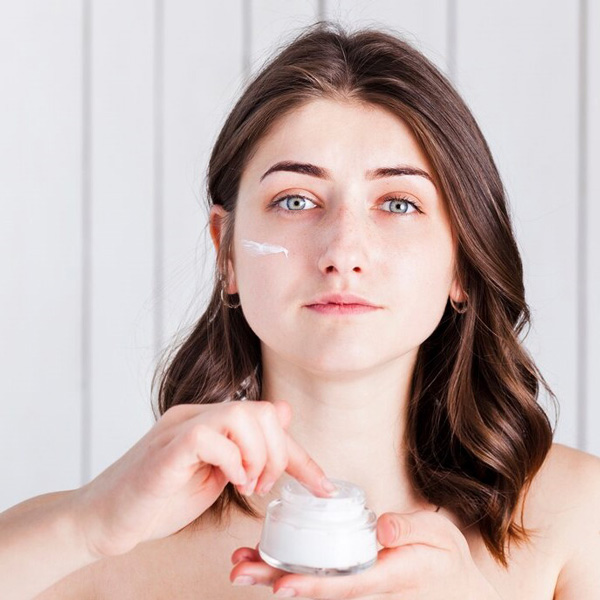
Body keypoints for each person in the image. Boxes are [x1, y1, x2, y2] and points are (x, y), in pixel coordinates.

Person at [2, 21, 599, 600]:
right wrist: (83, 528)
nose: (343, 252)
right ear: (226, 251)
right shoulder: (92, 549)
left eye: (397, 203)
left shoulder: (576, 521)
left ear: (463, 264)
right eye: (295, 199)